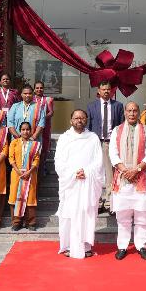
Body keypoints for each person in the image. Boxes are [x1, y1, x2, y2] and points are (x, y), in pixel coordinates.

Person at [110, 102, 146, 260]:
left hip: (142, 177)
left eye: (135, 111)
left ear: (139, 113)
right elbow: (113, 154)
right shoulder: (116, 130)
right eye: (129, 110)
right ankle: (123, 246)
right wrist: (125, 170)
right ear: (124, 112)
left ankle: (141, 245)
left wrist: (136, 170)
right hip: (123, 178)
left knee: (143, 214)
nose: (132, 113)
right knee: (123, 215)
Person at [55, 109, 104, 259]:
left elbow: (99, 161)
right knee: (69, 214)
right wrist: (74, 173)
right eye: (76, 118)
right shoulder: (64, 138)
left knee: (86, 213)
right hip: (70, 184)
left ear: (86, 120)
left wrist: (86, 172)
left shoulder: (93, 138)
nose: (79, 120)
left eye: (82, 118)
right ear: (71, 121)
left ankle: (86, 246)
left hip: (87, 184)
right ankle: (70, 246)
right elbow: (59, 161)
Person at [86, 81, 123, 211]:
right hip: (96, 143)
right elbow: (88, 127)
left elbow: (120, 126)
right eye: (103, 89)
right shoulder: (91, 106)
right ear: (99, 90)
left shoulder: (118, 106)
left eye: (108, 89)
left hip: (110, 143)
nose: (106, 91)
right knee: (96, 173)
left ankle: (108, 202)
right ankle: (97, 201)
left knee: (109, 173)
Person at [8, 121, 42, 231]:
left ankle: (30, 222)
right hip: (16, 174)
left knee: (30, 197)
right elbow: (11, 158)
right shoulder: (14, 143)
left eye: (27, 129)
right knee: (15, 196)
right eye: (23, 129)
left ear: (31, 131)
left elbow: (36, 160)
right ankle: (16, 222)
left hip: (30, 174)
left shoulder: (35, 144)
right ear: (20, 131)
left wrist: (29, 171)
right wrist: (18, 171)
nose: (25, 131)